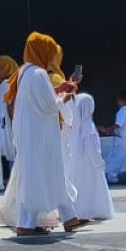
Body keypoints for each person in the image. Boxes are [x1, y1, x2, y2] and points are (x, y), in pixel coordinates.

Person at [4, 33, 78, 236]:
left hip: (32, 136)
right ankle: (26, 224)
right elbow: (48, 106)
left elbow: (39, 98)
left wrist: (57, 89)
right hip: (41, 138)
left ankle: (69, 217)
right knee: (41, 177)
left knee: (43, 176)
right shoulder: (38, 74)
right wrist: (64, 96)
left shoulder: (25, 72)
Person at [62, 87, 114, 223]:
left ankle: (77, 211)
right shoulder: (89, 127)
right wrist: (100, 164)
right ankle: (92, 211)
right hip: (90, 165)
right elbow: (93, 149)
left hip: (77, 162)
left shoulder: (75, 126)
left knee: (79, 187)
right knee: (92, 189)